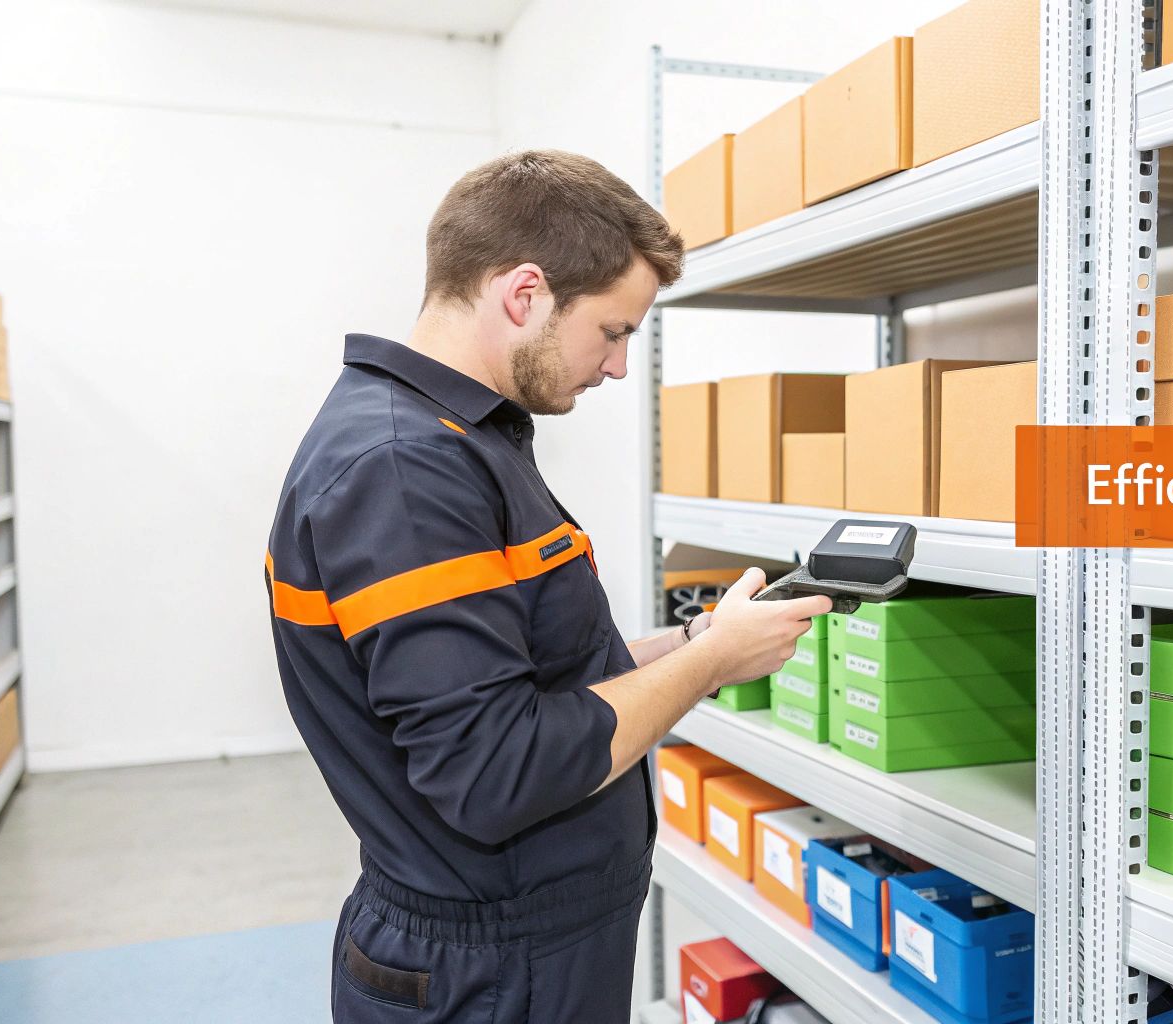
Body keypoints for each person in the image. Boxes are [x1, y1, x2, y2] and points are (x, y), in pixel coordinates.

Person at [264, 150, 829, 1022]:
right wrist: (711, 663)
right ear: (524, 294)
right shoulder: (405, 471)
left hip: (521, 948)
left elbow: (534, 678)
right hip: (488, 973)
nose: (616, 368)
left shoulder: (462, 441)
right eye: (614, 332)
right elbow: (498, 771)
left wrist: (691, 641)